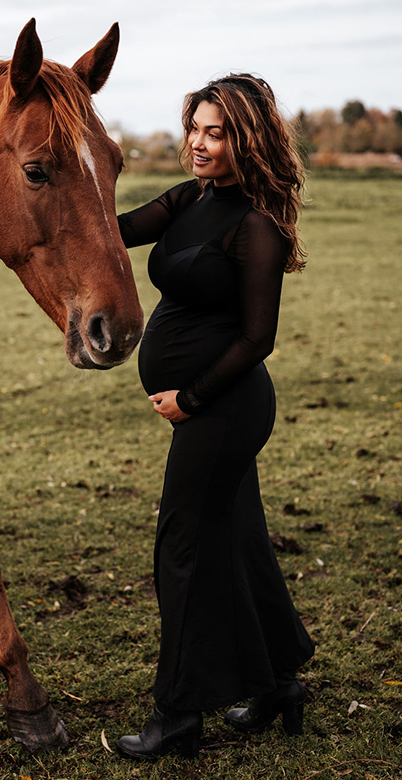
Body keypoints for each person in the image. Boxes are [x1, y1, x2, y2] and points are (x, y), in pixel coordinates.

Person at [114, 73, 315, 761]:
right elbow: (117, 232)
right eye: (194, 128)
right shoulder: (191, 199)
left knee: (183, 547)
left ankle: (177, 715)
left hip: (225, 407)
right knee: (238, 538)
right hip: (205, 405)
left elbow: (258, 338)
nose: (197, 143)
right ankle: (278, 683)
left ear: (245, 138)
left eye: (215, 132)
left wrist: (189, 400)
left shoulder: (255, 225)